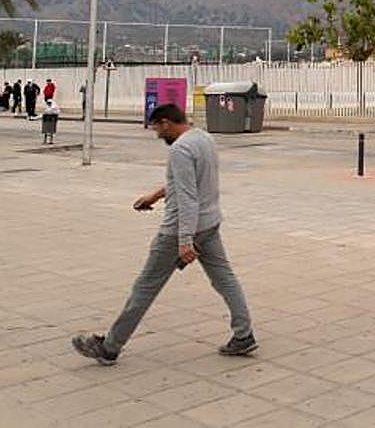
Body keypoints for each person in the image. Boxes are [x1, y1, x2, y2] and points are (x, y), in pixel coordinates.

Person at [72, 104, 256, 365]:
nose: (157, 134)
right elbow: (185, 183)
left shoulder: (180, 149)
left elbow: (187, 197)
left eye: (157, 128)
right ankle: (244, 334)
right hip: (210, 223)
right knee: (225, 279)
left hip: (179, 230)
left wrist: (184, 241)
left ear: (167, 123)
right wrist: (154, 196)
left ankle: (110, 347)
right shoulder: (204, 137)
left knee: (145, 287)